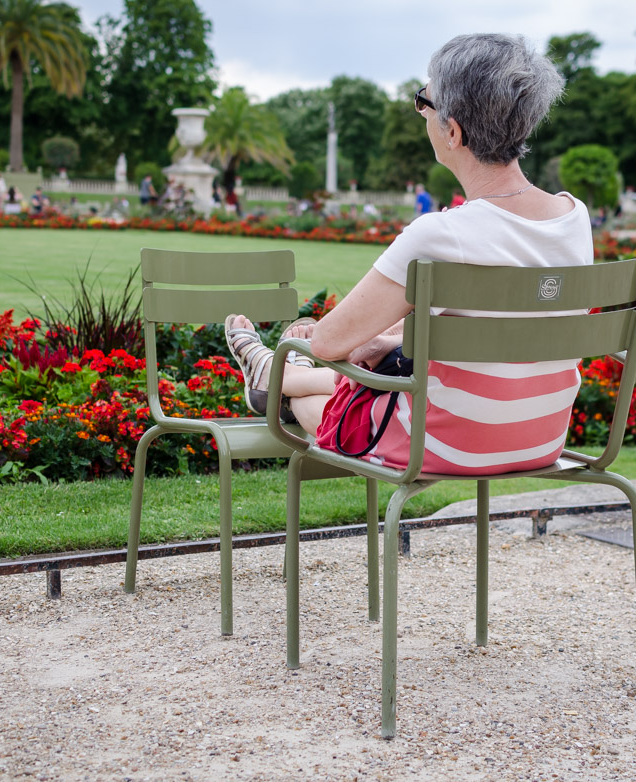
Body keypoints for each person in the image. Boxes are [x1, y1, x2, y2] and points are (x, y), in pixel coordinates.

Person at [224, 33, 588, 476]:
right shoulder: (574, 216)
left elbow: (326, 342)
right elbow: (511, 326)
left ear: (452, 132)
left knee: (322, 401)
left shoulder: (440, 234)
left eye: (424, 102)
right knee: (384, 357)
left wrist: (370, 342)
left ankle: (275, 380)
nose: (420, 113)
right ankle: (272, 377)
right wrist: (390, 340)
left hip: (447, 446)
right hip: (541, 439)